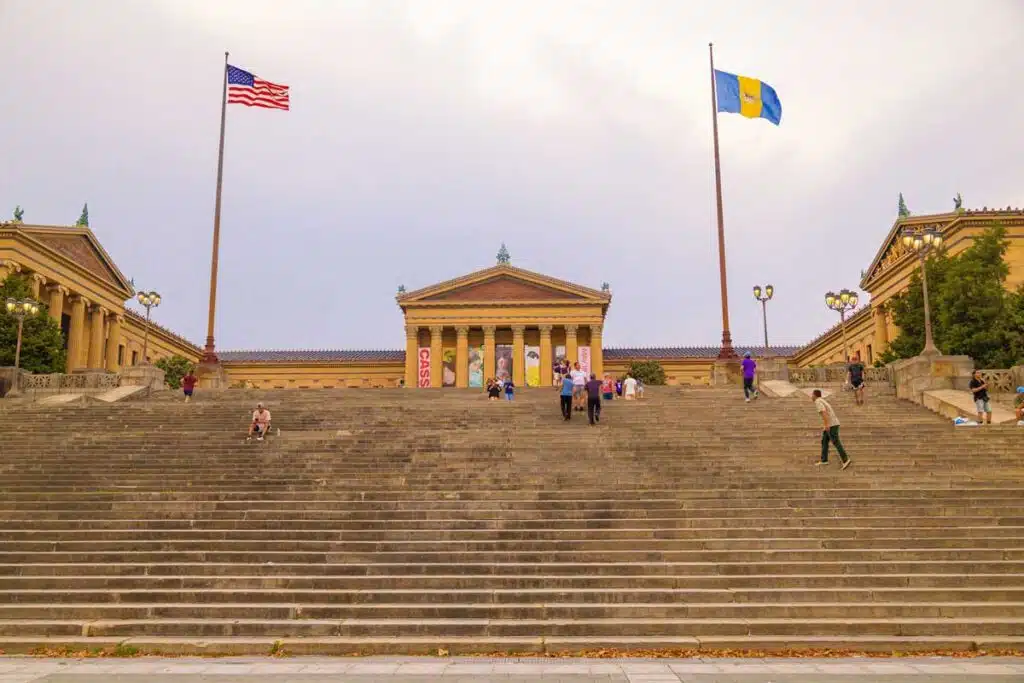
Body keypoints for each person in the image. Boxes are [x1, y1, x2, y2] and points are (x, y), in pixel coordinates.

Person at [812, 389, 851, 469]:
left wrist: (826, 425)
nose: (811, 396)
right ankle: (824, 460)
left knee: (836, 441)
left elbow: (824, 412)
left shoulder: (818, 401)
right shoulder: (822, 400)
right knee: (824, 441)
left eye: (812, 395)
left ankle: (845, 459)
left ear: (815, 395)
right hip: (832, 423)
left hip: (832, 424)